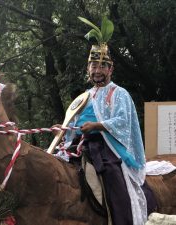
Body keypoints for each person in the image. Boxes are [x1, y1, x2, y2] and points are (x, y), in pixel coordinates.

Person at [54, 17, 149, 225]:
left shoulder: (119, 93)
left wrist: (97, 126)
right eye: (93, 66)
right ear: (88, 69)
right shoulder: (83, 96)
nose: (97, 71)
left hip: (107, 147)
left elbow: (123, 121)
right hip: (80, 145)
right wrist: (64, 132)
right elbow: (74, 124)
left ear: (110, 69)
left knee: (114, 178)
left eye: (101, 66)